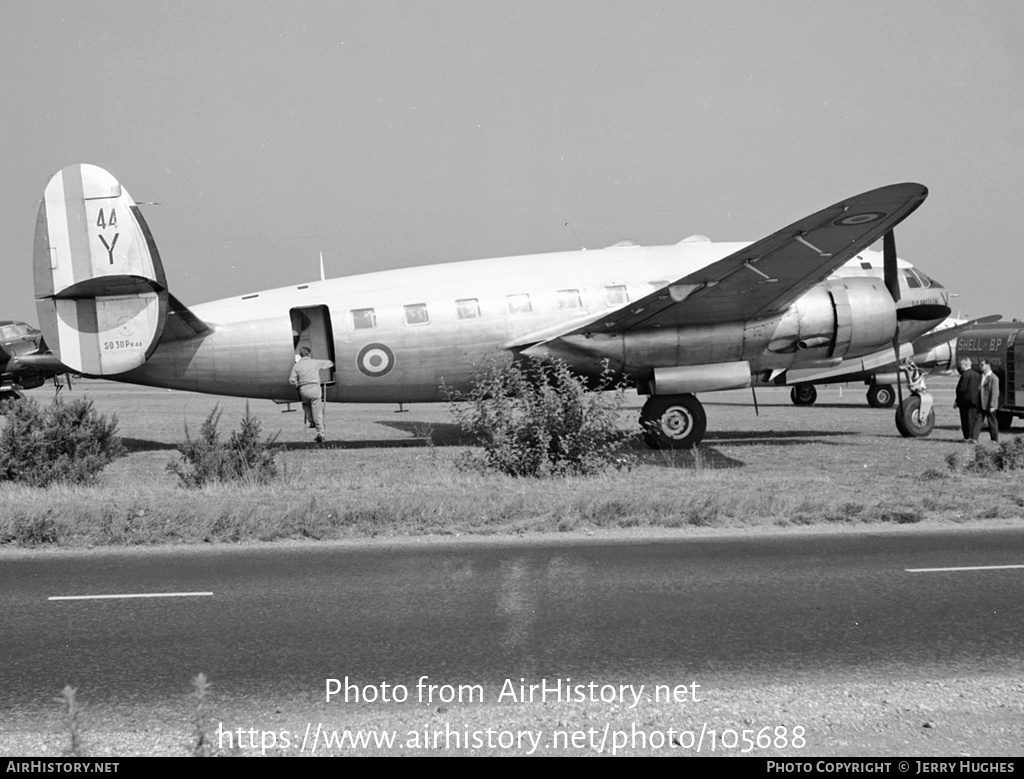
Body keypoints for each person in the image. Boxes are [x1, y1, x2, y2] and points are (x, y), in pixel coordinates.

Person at [289, 346, 334, 443]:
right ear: (308, 354)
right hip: (314, 388)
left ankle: (311, 421)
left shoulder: (297, 366)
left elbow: (292, 380)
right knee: (317, 410)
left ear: (300, 355)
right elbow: (329, 363)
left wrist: (298, 385)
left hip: (303, 389)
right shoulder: (314, 362)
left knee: (306, 406)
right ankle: (320, 433)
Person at [973, 358, 1001, 442]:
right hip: (981, 403)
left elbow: (995, 393)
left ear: (988, 365)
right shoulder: (981, 376)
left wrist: (992, 405)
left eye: (982, 365)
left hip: (989, 404)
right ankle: (974, 438)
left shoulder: (994, 378)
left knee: (992, 422)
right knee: (978, 420)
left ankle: (994, 439)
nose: (980, 366)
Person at [953, 357, 981, 441]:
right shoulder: (977, 375)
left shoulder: (965, 375)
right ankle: (973, 436)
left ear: (966, 364)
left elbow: (962, 389)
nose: (961, 367)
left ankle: (967, 437)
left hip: (965, 401)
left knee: (965, 420)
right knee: (973, 419)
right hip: (975, 401)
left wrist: (957, 401)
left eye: (962, 365)